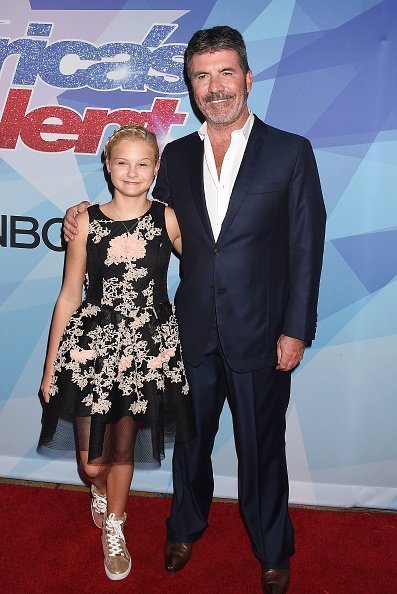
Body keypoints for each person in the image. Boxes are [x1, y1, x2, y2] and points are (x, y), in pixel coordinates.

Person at [63, 26, 326, 594]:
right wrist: (80, 212)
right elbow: (135, 211)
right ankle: (184, 525)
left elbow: (307, 248)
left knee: (263, 450)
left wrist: (296, 330)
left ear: (248, 78)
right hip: (187, 334)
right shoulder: (176, 156)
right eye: (202, 76)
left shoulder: (290, 152)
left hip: (262, 334)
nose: (215, 87)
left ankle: (272, 548)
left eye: (226, 72)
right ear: (191, 86)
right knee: (190, 445)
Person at [39, 125, 194, 582]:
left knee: (123, 452)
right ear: (107, 165)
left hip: (146, 355)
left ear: (156, 168)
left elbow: (208, 257)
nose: (132, 172)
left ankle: (116, 524)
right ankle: (100, 493)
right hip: (92, 352)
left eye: (143, 163)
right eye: (122, 162)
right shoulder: (86, 221)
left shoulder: (168, 218)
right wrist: (51, 369)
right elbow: (69, 296)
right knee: (92, 466)